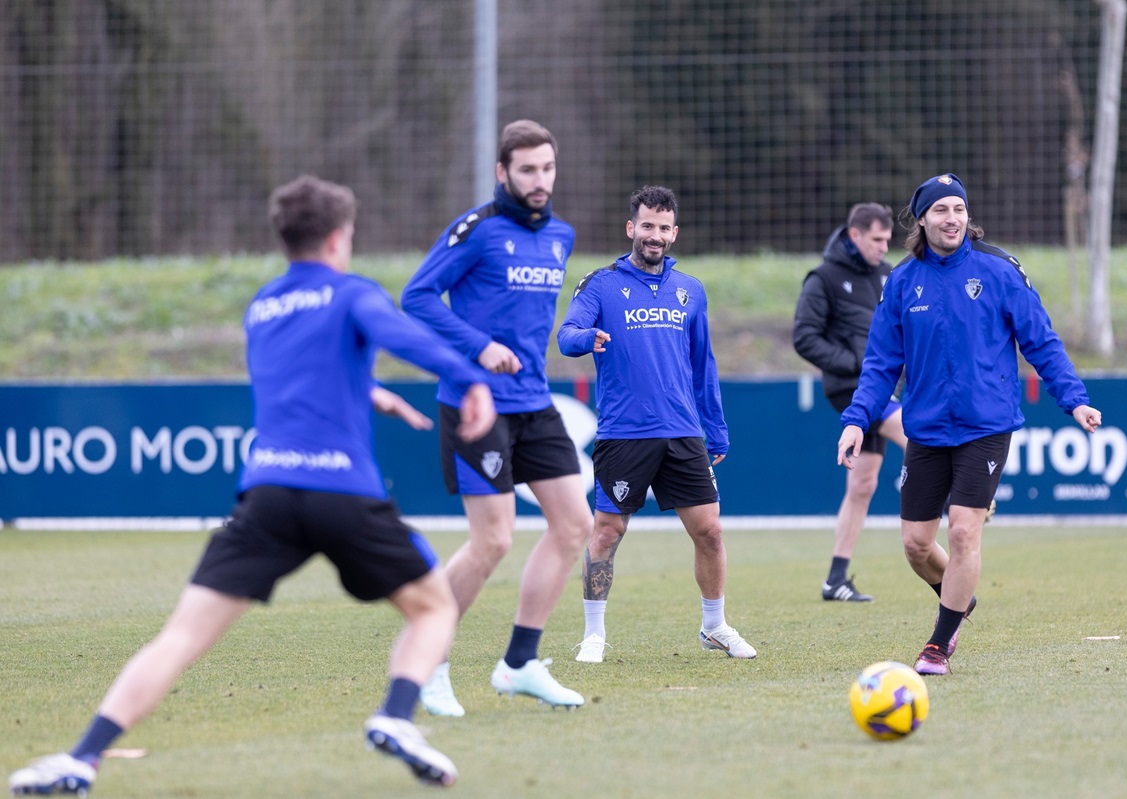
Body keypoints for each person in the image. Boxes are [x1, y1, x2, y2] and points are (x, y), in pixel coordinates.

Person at [7, 175, 497, 795]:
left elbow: (302, 378)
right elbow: (400, 334)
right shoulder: (352, 293)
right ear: (338, 238)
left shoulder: (262, 306)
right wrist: (470, 378)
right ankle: (396, 716)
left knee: (181, 635)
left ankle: (83, 756)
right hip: (344, 493)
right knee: (433, 607)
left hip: (267, 495)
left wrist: (369, 396)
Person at [837, 173, 1102, 676]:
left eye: (958, 208)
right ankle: (957, 599)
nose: (952, 218)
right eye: (941, 210)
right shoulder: (901, 281)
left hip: (987, 426)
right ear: (922, 220)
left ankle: (939, 642)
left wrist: (1075, 400)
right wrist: (856, 419)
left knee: (962, 532)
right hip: (927, 430)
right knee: (917, 545)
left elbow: (1041, 342)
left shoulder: (999, 270)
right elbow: (879, 365)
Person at [400, 120, 592, 714]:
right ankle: (427, 661)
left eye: (548, 169)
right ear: (502, 173)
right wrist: (478, 346)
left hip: (535, 403)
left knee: (575, 525)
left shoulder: (560, 235)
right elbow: (417, 297)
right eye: (528, 170)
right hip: (476, 404)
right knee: (493, 539)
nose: (540, 180)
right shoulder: (477, 231)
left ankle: (519, 664)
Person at [558, 185, 756, 664]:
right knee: (607, 532)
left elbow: (702, 365)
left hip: (683, 432)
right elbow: (565, 338)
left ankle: (715, 627)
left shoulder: (691, 290)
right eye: (647, 226)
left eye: (664, 228)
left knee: (709, 531)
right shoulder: (600, 284)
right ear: (631, 228)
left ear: (674, 233)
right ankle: (594, 635)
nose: (655, 235)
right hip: (624, 433)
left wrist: (717, 428)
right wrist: (589, 336)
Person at [793, 202, 906, 603]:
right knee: (918, 434)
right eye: (877, 239)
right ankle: (962, 495)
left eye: (887, 239)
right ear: (855, 235)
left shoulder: (889, 275)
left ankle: (835, 580)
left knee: (862, 484)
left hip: (882, 388)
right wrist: (853, 364)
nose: (883, 246)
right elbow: (804, 337)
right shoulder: (823, 278)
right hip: (849, 389)